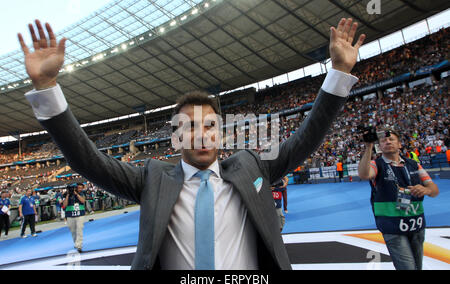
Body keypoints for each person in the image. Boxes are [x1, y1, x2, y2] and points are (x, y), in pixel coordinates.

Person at [18, 18, 365, 270]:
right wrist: (48, 88)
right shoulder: (151, 178)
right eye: (190, 126)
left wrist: (336, 74)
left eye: (209, 125)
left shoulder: (251, 168)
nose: (201, 133)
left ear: (221, 134)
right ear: (175, 137)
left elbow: (306, 139)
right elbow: (87, 160)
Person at [358, 128, 439, 270]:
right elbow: (364, 174)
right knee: (407, 267)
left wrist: (426, 190)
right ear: (379, 146)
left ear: (399, 144)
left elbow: (434, 190)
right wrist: (368, 146)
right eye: (383, 140)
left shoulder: (413, 164)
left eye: (391, 139)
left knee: (417, 266)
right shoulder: (376, 164)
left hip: (416, 225)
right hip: (392, 226)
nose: (388, 141)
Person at [63, 183, 86, 252]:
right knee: (73, 231)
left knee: (79, 229)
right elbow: (64, 205)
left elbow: (83, 201)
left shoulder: (80, 193)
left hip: (80, 214)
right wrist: (67, 195)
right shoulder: (65, 194)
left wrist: (76, 194)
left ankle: (79, 245)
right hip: (70, 215)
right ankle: (76, 243)